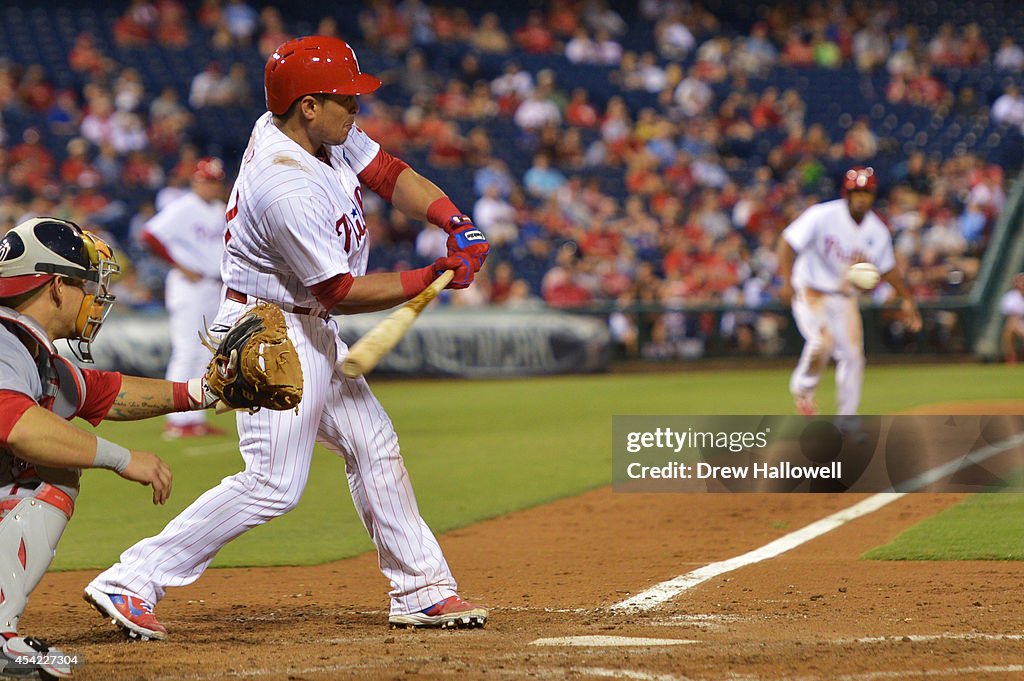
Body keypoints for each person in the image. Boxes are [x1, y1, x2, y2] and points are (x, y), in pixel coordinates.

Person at [85, 35, 491, 640]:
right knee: (274, 483)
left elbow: (385, 170)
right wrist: (430, 273)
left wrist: (452, 220)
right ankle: (132, 578)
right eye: (345, 101)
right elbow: (339, 292)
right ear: (307, 106)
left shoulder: (313, 127)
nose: (357, 111)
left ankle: (422, 589)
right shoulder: (285, 182)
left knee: (373, 444)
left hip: (302, 321)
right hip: (269, 328)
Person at [0, 217, 224, 677]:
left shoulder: (25, 348)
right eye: (86, 284)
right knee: (47, 470)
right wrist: (123, 459)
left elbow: (106, 392)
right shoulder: (5, 342)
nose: (95, 298)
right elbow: (20, 426)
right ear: (57, 285)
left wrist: (206, 392)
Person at [777, 166, 922, 416]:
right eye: (856, 191)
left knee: (853, 357)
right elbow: (787, 242)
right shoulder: (822, 215)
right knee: (822, 342)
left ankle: (848, 419)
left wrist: (906, 298)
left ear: (873, 195)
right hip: (812, 290)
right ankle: (803, 389)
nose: (861, 197)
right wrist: (787, 282)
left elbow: (888, 268)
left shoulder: (877, 230)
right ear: (847, 193)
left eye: (865, 192)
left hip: (845, 298)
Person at [140, 157, 228, 439]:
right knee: (186, 351)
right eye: (206, 180)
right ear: (195, 181)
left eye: (215, 181)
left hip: (214, 286)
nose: (211, 186)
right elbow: (149, 235)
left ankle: (195, 418)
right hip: (188, 286)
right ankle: (176, 420)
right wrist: (179, 265)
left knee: (207, 353)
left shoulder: (221, 209)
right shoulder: (183, 207)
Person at [1000, 273, 1024, 364]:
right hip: (1018, 325)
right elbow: (1013, 319)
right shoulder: (1011, 297)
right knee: (1009, 329)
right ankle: (1011, 357)